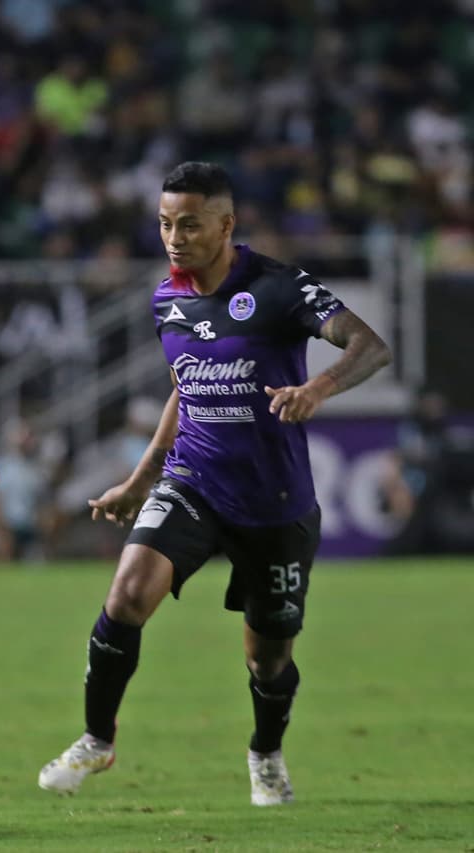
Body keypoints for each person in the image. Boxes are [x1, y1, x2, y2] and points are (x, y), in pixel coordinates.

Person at [37, 162, 391, 806]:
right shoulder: (165, 300)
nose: (175, 238)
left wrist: (318, 388)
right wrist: (140, 479)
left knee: (268, 659)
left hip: (274, 502)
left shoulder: (279, 287)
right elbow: (186, 388)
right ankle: (96, 739)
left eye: (190, 225)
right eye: (165, 224)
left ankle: (265, 754)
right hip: (193, 480)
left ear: (226, 225)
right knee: (126, 596)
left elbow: (370, 345)